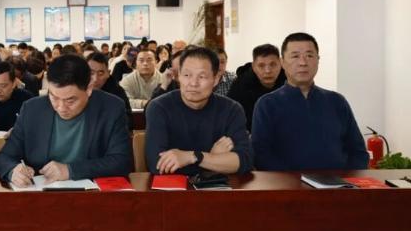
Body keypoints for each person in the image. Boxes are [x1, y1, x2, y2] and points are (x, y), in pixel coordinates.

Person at [0, 55, 132, 187]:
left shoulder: (111, 108)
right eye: (54, 97)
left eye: (70, 100)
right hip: (41, 191)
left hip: (91, 194)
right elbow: (6, 156)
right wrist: (13, 171)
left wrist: (70, 170)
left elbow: (121, 161)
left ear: (89, 89)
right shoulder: (32, 109)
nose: (61, 107)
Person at [251, 32, 369, 171]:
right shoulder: (267, 104)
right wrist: (292, 179)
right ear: (282, 62)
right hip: (286, 183)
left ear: (318, 60)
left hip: (337, 182)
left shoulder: (337, 101)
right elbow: (261, 154)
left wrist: (345, 179)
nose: (303, 63)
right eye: (295, 56)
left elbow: (358, 152)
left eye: (309, 56)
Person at [145, 46, 253, 176]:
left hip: (219, 188)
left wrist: (194, 157)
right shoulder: (159, 107)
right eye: (187, 75)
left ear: (216, 79)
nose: (193, 83)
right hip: (174, 188)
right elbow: (157, 166)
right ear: (178, 76)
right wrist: (213, 160)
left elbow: (244, 162)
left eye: (202, 76)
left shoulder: (232, 110)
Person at [227, 44, 286, 130]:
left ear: (281, 64)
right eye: (261, 66)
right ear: (254, 67)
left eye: (273, 64)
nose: (268, 71)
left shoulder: (291, 82)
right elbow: (230, 118)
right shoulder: (240, 86)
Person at [87, 52, 133, 129]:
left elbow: (128, 121)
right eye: (91, 73)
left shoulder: (116, 91)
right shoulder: (77, 89)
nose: (95, 79)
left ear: (108, 73)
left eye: (100, 73)